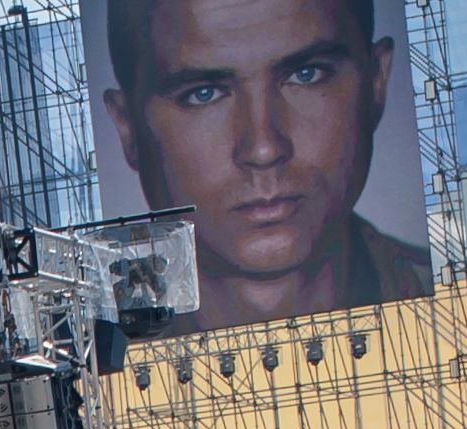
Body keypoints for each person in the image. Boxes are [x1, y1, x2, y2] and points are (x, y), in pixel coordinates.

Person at [96, 0, 434, 332]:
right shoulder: (87, 341)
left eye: (306, 74)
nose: (263, 150)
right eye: (203, 93)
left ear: (376, 83)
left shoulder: (461, 296)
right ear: (128, 128)